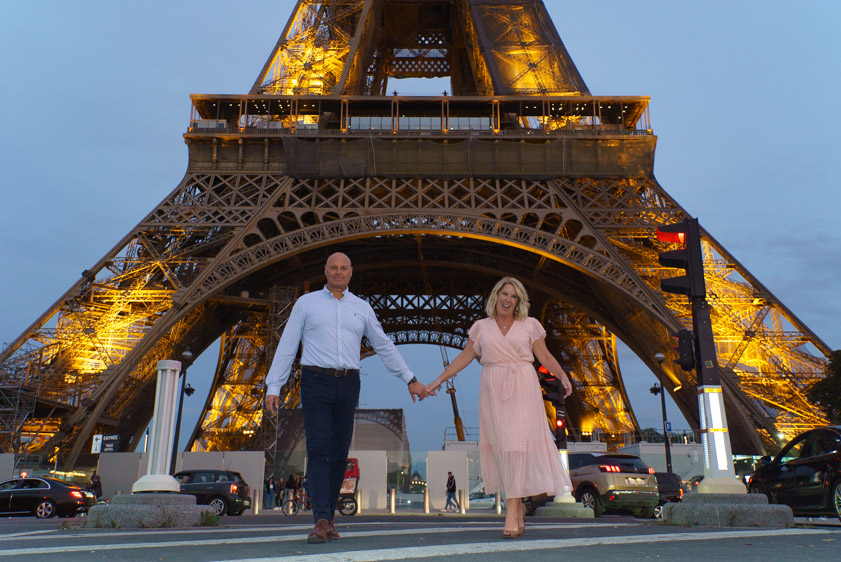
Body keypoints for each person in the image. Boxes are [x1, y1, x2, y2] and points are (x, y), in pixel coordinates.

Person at [265, 252, 429, 544]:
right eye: (333, 268)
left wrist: (410, 379)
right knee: (318, 451)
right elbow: (288, 345)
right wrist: (274, 386)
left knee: (339, 454)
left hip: (349, 382)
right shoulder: (307, 304)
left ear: (350, 273)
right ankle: (321, 519)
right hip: (315, 380)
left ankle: (329, 517)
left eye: (343, 268)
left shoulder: (361, 308)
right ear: (325, 271)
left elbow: (383, 345)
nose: (338, 272)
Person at [426, 276, 573, 538]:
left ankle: (512, 511)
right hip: (493, 389)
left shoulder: (530, 325)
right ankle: (517, 510)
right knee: (505, 450)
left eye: (514, 296)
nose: (508, 299)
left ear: (519, 302)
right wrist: (438, 380)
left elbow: (544, 355)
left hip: (523, 387)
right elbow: (464, 357)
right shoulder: (481, 327)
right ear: (496, 296)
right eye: (505, 294)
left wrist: (562, 375)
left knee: (516, 449)